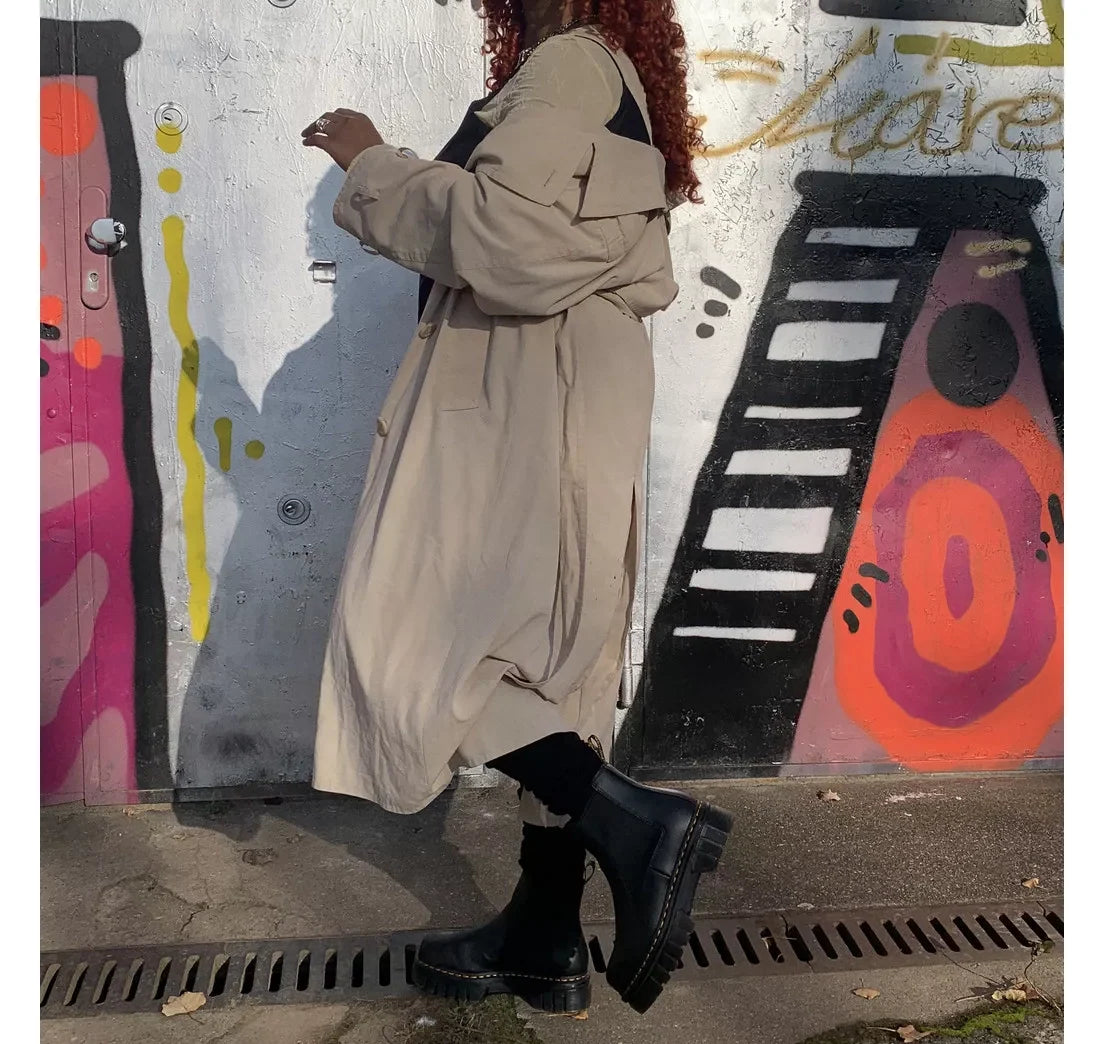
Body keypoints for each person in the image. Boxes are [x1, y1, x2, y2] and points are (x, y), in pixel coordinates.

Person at [302, 0, 732, 1016]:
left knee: (407, 635)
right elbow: (532, 231)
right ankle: (545, 935)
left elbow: (506, 241)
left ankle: (634, 825)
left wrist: (373, 163)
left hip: (531, 391)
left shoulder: (569, 66)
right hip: (565, 388)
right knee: (554, 674)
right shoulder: (596, 68)